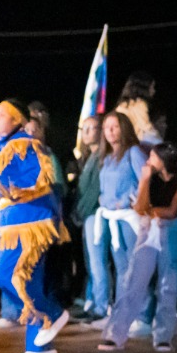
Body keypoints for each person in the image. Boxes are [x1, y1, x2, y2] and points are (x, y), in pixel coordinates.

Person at [0, 100, 69, 353]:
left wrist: (11, 190)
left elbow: (38, 179)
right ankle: (38, 347)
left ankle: (52, 313)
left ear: (16, 120)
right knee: (28, 281)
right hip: (11, 225)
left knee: (6, 275)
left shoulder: (26, 144)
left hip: (32, 223)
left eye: (1, 115)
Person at [99, 143, 177, 352]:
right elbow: (140, 207)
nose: (148, 161)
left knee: (168, 284)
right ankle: (116, 334)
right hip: (147, 231)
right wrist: (146, 180)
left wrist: (151, 211)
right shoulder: (149, 179)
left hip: (171, 232)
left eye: (153, 157)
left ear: (163, 160)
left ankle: (164, 336)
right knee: (134, 281)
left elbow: (172, 211)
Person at [87, 112, 147, 324]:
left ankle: (142, 315)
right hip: (112, 218)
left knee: (135, 266)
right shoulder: (108, 157)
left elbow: (144, 181)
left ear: (124, 128)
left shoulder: (134, 152)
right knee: (121, 268)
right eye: (106, 127)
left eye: (114, 126)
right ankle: (123, 314)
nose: (110, 131)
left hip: (129, 218)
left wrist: (132, 201)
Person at [70, 115, 105, 320]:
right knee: (90, 261)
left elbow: (93, 191)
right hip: (86, 215)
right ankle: (91, 301)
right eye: (84, 128)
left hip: (93, 214)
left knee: (97, 261)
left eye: (92, 128)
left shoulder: (101, 157)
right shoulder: (88, 157)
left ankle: (100, 306)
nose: (87, 132)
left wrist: (79, 213)